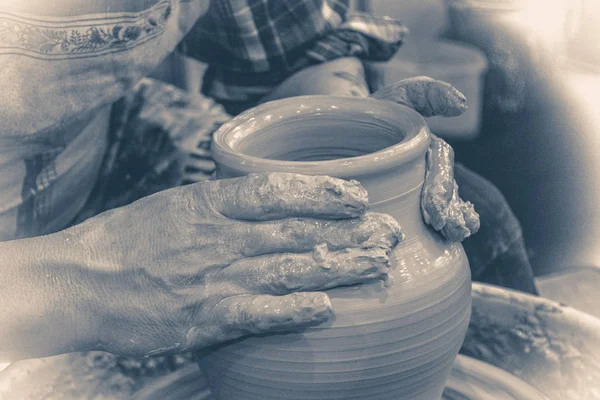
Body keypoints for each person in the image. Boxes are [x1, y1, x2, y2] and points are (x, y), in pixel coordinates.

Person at [0, 0, 534, 366]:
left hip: (93, 151)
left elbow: (293, 46)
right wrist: (87, 283)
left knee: (465, 224)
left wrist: (345, 133)